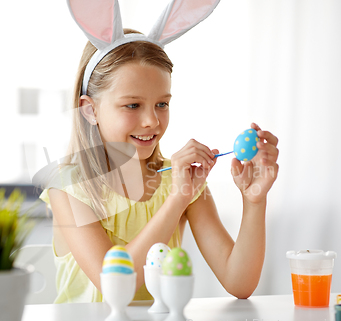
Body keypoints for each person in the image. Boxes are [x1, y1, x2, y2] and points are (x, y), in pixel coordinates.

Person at [39, 1, 279, 303]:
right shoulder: (68, 187)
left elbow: (239, 282)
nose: (152, 120)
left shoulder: (182, 181)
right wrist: (176, 200)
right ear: (91, 110)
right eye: (132, 105)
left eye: (162, 104)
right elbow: (114, 285)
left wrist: (254, 200)